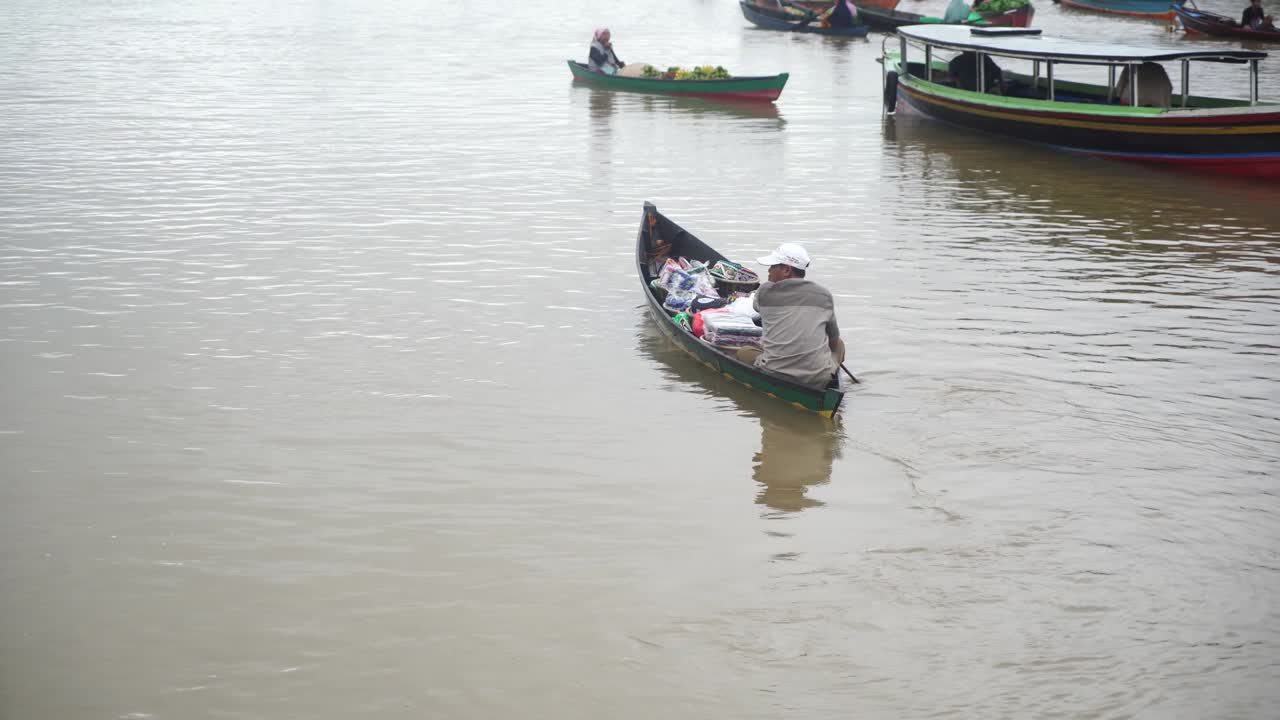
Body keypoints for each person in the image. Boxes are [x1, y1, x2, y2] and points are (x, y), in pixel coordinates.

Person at [735, 243, 845, 388]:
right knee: (840, 345)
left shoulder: (764, 292)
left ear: (786, 270)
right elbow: (833, 341)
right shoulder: (824, 295)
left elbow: (757, 307)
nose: (769, 271)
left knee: (744, 352)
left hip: (774, 372)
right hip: (818, 378)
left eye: (773, 267)